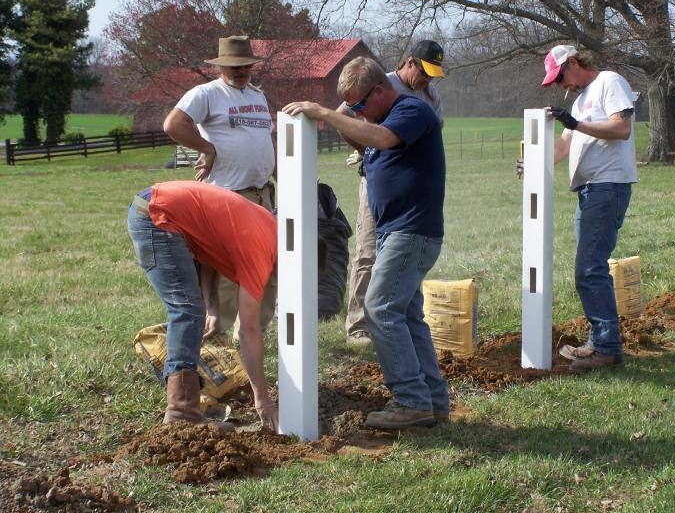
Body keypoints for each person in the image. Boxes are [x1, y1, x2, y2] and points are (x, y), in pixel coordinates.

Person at [283, 56, 448, 429]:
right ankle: (433, 402)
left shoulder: (411, 110)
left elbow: (383, 139)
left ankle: (410, 399)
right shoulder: (374, 120)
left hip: (412, 231)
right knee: (405, 314)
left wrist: (325, 112)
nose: (357, 113)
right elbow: (367, 140)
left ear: (380, 90)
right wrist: (350, 120)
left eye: (360, 105)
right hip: (397, 232)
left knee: (379, 309)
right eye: (351, 108)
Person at [127, 181, 279, 430]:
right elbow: (248, 331)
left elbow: (209, 247)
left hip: (159, 206)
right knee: (186, 309)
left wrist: (213, 308)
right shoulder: (261, 252)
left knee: (192, 309)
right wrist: (263, 401)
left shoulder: (269, 230)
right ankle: (181, 412)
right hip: (157, 215)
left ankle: (184, 405)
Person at [163, 36, 277, 339]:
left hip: (262, 194)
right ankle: (216, 345)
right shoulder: (206, 94)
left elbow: (266, 140)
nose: (240, 72)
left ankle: (252, 337)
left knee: (264, 270)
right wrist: (207, 148)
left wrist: (281, 175)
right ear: (220, 66)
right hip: (227, 195)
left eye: (245, 66)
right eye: (233, 67)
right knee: (227, 275)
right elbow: (173, 124)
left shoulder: (257, 96)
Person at [540, 44, 637, 372]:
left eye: (559, 77)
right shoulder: (581, 101)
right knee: (588, 269)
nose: (560, 85)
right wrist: (535, 161)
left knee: (590, 268)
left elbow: (621, 129)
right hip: (589, 191)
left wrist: (576, 123)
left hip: (607, 187)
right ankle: (600, 343)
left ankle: (606, 349)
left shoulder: (610, 82)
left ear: (572, 63)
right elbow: (564, 145)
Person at [344, 40, 446, 346]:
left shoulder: (429, 95)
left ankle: (397, 316)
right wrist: (364, 152)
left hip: (411, 187)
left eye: (433, 74)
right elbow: (345, 116)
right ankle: (359, 324)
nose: (428, 79)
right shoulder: (378, 83)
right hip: (379, 180)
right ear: (409, 62)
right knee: (368, 251)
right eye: (425, 72)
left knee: (400, 254)